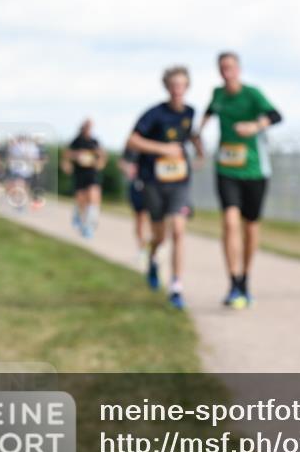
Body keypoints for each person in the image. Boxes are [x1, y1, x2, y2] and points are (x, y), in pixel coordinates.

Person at [198, 52, 283, 309]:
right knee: (229, 222)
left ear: (239, 69)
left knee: (250, 227)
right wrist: (197, 135)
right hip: (226, 169)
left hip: (255, 170)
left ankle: (245, 278)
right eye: (223, 68)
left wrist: (255, 126)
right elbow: (208, 112)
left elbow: (276, 116)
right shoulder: (217, 94)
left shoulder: (252, 94)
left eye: (231, 67)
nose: (227, 72)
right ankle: (233, 281)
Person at [127, 66, 203, 310]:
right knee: (159, 235)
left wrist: (199, 151)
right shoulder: (154, 114)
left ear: (187, 87)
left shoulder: (191, 112)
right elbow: (132, 140)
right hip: (153, 181)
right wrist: (163, 149)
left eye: (182, 85)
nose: (178, 90)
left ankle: (176, 286)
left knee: (179, 230)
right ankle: (152, 259)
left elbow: (190, 134)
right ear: (167, 87)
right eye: (173, 85)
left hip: (180, 181)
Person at [63, 119, 106, 238]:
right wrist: (74, 157)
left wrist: (100, 162)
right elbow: (66, 155)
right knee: (82, 200)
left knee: (93, 197)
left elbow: (102, 156)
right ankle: (80, 218)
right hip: (79, 174)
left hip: (92, 173)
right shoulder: (76, 141)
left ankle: (89, 225)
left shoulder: (95, 141)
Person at [118, 146, 150, 269]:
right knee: (140, 219)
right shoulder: (132, 146)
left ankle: (152, 248)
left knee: (150, 220)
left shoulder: (156, 141)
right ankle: (142, 250)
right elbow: (121, 162)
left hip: (152, 187)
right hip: (137, 186)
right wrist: (128, 169)